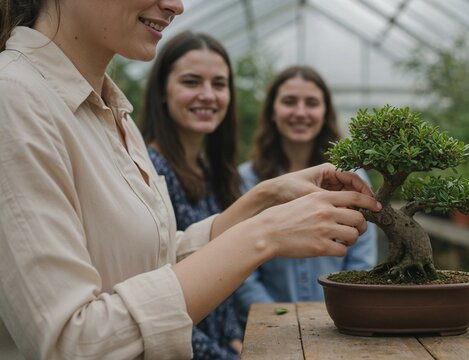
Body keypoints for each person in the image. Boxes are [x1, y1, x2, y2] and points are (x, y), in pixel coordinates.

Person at [0, 1, 381, 359]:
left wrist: (267, 195)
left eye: (219, 83)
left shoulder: (114, 115)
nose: (176, 6)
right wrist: (263, 234)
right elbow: (72, 341)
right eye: (192, 82)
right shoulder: (15, 101)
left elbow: (157, 262)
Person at [232, 65, 378, 327]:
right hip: (266, 325)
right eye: (289, 101)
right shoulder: (248, 182)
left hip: (340, 323)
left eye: (311, 103)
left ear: (324, 113)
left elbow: (363, 261)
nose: (300, 112)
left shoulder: (350, 178)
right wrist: (276, 318)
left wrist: (334, 316)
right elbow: (238, 270)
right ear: (273, 112)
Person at [140, 31, 243, 359]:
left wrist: (236, 340)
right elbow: (154, 297)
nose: (208, 95)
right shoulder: (149, 171)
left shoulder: (212, 172)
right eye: (191, 82)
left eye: (219, 83)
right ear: (162, 92)